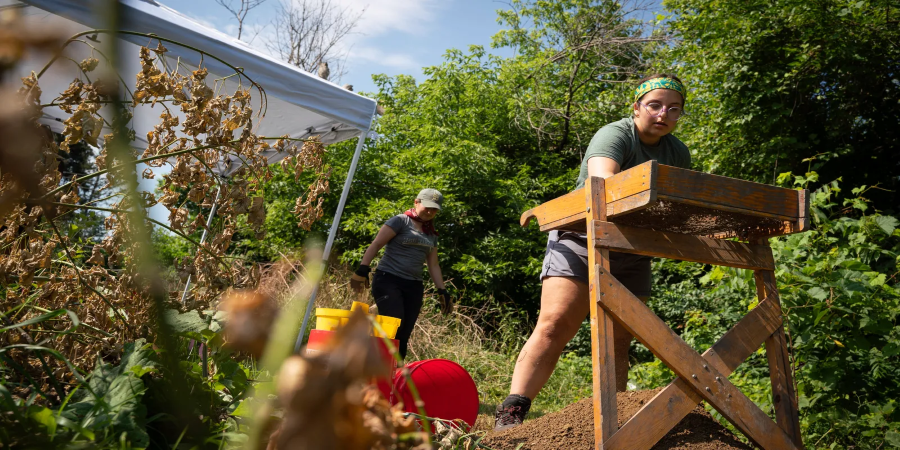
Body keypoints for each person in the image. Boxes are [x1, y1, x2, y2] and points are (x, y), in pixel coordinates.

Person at [494, 74, 692, 430]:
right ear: (637, 108)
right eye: (655, 105)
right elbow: (603, 185)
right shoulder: (616, 134)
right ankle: (511, 411)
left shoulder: (677, 151)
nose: (664, 113)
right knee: (556, 323)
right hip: (580, 234)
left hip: (633, 246)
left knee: (620, 336)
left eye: (673, 109)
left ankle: (609, 416)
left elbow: (677, 201)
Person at [350, 188, 453, 359]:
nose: (430, 211)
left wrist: (442, 290)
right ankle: (370, 360)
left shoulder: (431, 233)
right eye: (427, 206)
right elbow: (376, 244)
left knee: (404, 333)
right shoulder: (400, 221)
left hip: (413, 285)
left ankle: (394, 374)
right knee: (394, 323)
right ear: (416, 202)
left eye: (434, 209)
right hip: (388, 279)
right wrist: (363, 269)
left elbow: (433, 264)